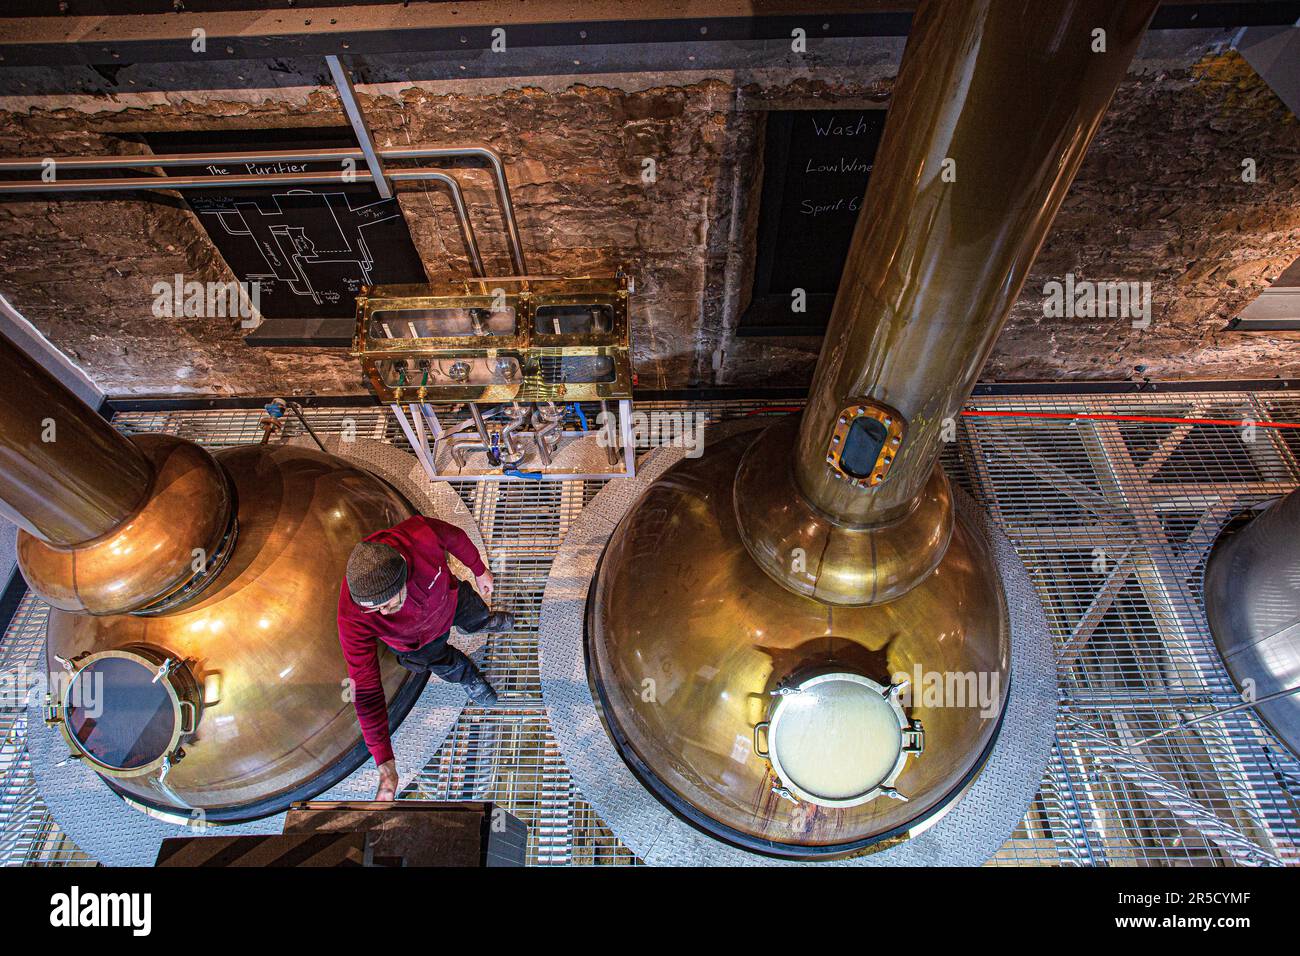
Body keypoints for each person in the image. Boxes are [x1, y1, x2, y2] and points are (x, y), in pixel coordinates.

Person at [337, 515, 512, 800]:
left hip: (450, 601)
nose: (383, 613)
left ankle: (482, 622)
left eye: (389, 602)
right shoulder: (352, 617)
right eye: (375, 609)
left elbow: (454, 537)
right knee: (445, 663)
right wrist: (384, 761)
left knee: (475, 612)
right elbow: (366, 691)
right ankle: (470, 678)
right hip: (417, 643)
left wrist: (479, 570)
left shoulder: (419, 536)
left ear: (403, 573)